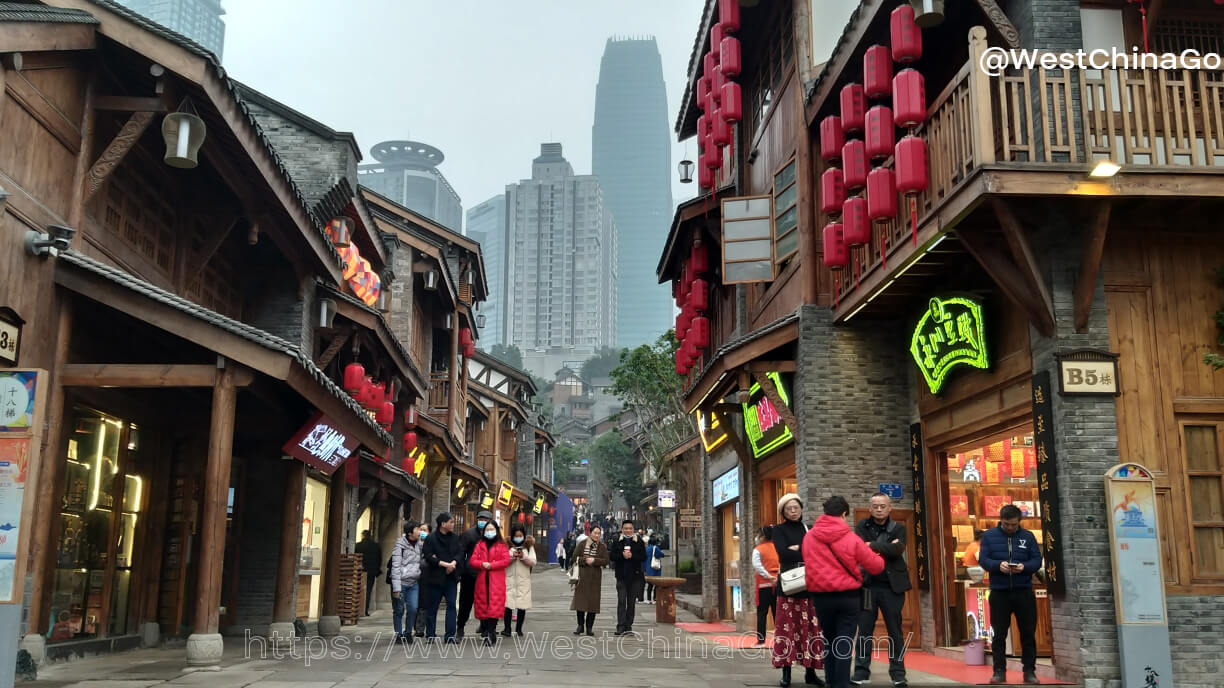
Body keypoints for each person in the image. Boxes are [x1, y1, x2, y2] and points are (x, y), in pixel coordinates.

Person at [802, 496, 885, 688]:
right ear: (844, 514)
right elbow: (876, 566)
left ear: (825, 512)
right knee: (844, 642)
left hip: (821, 597)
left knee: (829, 640)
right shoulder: (851, 538)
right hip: (848, 597)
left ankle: (832, 682)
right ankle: (840, 684)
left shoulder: (809, 537)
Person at [978, 505, 1043, 685]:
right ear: (1001, 520)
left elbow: (1037, 560)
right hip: (999, 592)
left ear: (1019, 522)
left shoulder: (1028, 537)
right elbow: (983, 560)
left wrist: (1025, 567)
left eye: (1013, 524)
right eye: (1006, 524)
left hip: (1024, 591)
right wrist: (998, 565)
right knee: (999, 634)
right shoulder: (989, 537)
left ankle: (1029, 671)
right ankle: (999, 671)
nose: (1010, 528)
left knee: (1028, 633)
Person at [852, 493, 912, 687]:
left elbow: (898, 550)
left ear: (889, 508)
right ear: (870, 508)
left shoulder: (899, 528)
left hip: (892, 587)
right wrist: (886, 547)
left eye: (882, 506)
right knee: (865, 630)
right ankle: (861, 672)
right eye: (875, 506)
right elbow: (860, 549)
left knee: (895, 630)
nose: (879, 509)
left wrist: (873, 546)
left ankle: (898, 673)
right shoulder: (862, 526)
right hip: (868, 586)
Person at [772, 494, 825, 688]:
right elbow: (783, 554)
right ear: (783, 512)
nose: (793, 511)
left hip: (810, 586)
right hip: (788, 588)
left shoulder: (809, 529)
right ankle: (786, 673)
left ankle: (810, 672)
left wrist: (797, 548)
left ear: (801, 508)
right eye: (789, 509)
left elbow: (818, 552)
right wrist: (803, 550)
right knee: (788, 630)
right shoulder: (778, 530)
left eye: (796, 507)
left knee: (811, 630)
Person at [421, 512, 463, 643]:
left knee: (451, 606)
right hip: (435, 578)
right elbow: (428, 556)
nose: (453, 524)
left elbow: (460, 553)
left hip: (451, 578)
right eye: (450, 522)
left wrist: (454, 563)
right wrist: (445, 564)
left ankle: (450, 635)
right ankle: (430, 635)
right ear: (443, 524)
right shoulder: (431, 538)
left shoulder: (455, 538)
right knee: (432, 607)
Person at [468, 518, 511, 646]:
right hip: (482, 580)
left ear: (496, 531)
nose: (489, 531)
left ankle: (491, 631)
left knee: (494, 606)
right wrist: (482, 564)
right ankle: (487, 630)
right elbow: (473, 560)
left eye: (492, 529)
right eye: (487, 529)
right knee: (483, 606)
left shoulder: (502, 545)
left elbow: (506, 560)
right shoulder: (479, 545)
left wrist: (491, 565)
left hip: (496, 581)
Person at [456, 509, 495, 640]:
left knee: (485, 602)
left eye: (485, 520)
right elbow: (461, 553)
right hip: (470, 574)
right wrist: (460, 571)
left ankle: (485, 626)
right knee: (465, 603)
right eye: (480, 519)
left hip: (487, 574)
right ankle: (460, 627)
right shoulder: (468, 534)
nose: (482, 522)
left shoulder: (493, 535)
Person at [607, 519, 646, 636]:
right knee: (621, 601)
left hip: (635, 577)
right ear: (622, 529)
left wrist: (632, 555)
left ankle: (628, 626)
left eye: (630, 529)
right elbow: (612, 556)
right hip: (621, 577)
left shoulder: (638, 541)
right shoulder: (617, 541)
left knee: (631, 602)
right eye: (626, 528)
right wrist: (622, 555)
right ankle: (620, 626)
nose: (628, 531)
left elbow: (643, 556)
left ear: (633, 529)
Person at [570, 525, 608, 636]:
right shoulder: (582, 544)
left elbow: (606, 561)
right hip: (582, 577)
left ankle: (589, 627)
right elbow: (574, 558)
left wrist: (595, 561)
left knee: (593, 603)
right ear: (590, 533)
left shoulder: (602, 547)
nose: (597, 535)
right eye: (595, 533)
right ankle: (580, 625)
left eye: (598, 533)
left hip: (595, 578)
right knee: (580, 602)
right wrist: (585, 560)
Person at [389, 520, 423, 643]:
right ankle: (398, 634)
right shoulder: (400, 546)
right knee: (399, 609)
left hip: (413, 583)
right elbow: (395, 567)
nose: (420, 531)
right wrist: (396, 587)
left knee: (413, 608)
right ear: (410, 533)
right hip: (401, 583)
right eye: (417, 529)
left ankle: (408, 632)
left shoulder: (419, 545)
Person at [502, 524, 537, 637]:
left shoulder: (528, 546)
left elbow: (533, 561)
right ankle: (507, 628)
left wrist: (523, 557)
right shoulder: (507, 546)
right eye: (516, 536)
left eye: (520, 535)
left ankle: (519, 629)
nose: (518, 538)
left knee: (522, 605)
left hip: (523, 580)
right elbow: (502, 561)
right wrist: (512, 557)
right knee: (508, 605)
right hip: (509, 580)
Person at [752, 525, 779, 647]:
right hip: (778, 584)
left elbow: (757, 566)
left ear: (762, 537)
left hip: (764, 584)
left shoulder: (758, 549)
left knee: (762, 613)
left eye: (759, 535)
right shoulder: (778, 547)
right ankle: (780, 639)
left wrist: (768, 576)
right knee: (777, 612)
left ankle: (761, 640)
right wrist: (776, 577)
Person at [355, 529, 382, 616]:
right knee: (368, 590)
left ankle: (358, 609)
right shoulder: (376, 546)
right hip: (372, 571)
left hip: (360, 571)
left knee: (358, 589)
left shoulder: (358, 546)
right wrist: (377, 570)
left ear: (362, 536)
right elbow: (379, 559)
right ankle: (365, 610)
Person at [413, 524, 431, 637]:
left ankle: (420, 628)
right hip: (413, 577)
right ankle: (415, 626)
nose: (422, 532)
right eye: (420, 530)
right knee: (414, 604)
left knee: (424, 603)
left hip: (426, 577)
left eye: (424, 530)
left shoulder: (431, 545)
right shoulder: (412, 544)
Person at [643, 536, 665, 603]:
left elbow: (644, 559)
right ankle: (655, 598)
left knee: (650, 585)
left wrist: (644, 569)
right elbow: (662, 555)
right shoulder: (656, 548)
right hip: (655, 569)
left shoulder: (647, 549)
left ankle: (649, 599)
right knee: (657, 584)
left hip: (648, 568)